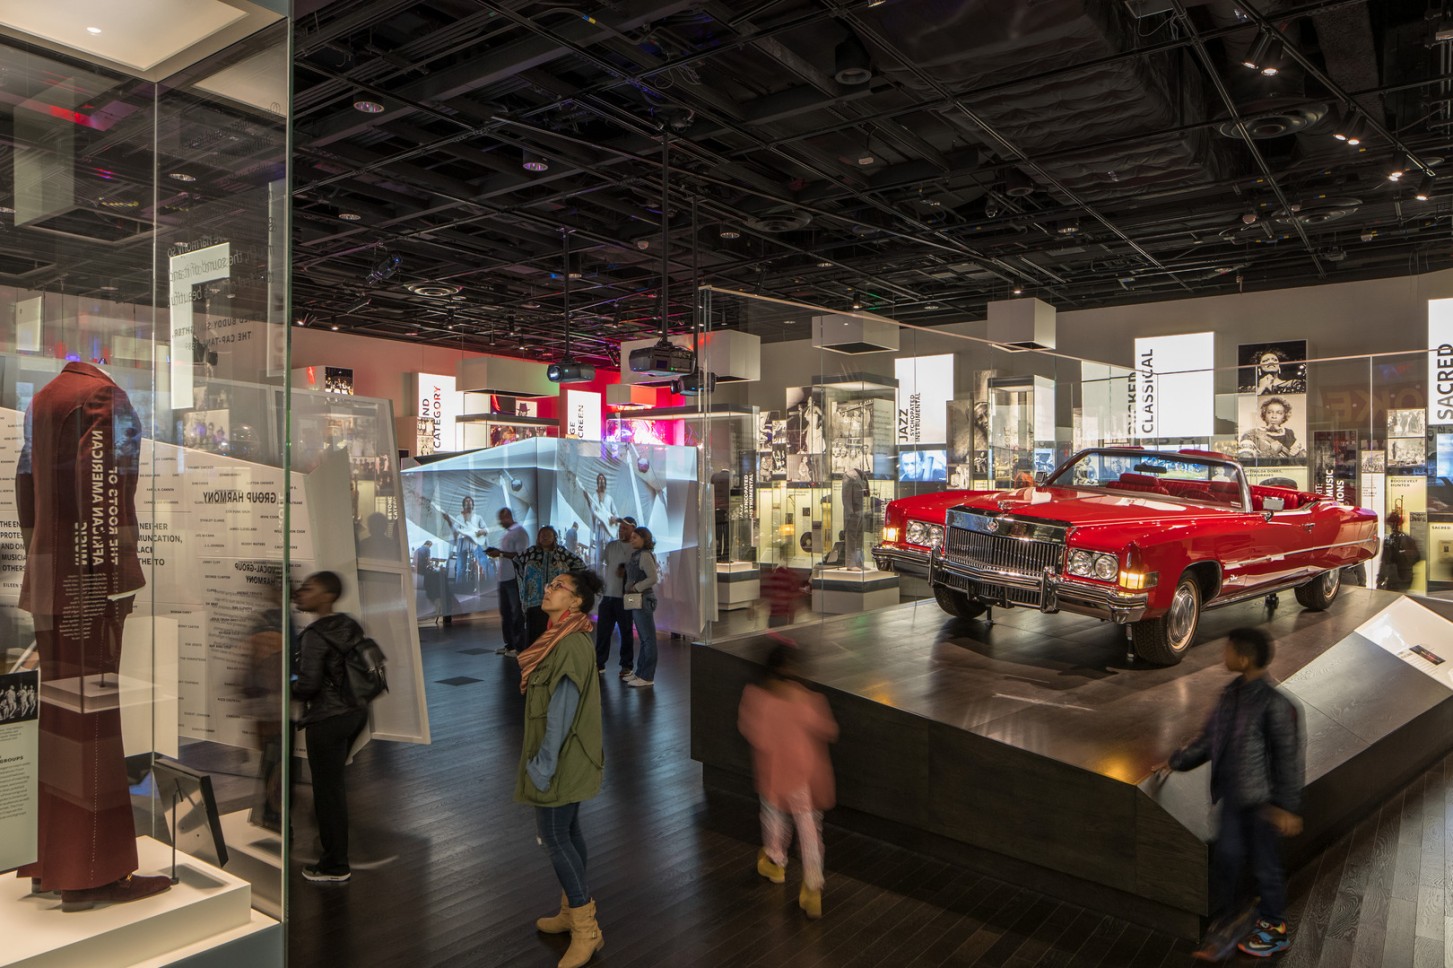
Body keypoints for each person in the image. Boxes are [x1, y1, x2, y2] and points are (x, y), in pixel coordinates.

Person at [1154, 627, 1305, 960]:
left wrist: (1286, 806)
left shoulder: (1277, 705)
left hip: (1264, 805)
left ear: (1245, 658)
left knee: (1266, 866)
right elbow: (1211, 739)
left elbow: (1288, 758)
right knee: (1228, 858)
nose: (1224, 655)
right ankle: (1232, 919)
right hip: (1233, 799)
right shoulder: (1230, 695)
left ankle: (1275, 928)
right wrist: (1177, 761)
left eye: (1229, 649)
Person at [517, 569, 606, 968]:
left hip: (562, 757)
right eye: (550, 583)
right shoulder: (562, 636)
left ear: (576, 602)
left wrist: (544, 764)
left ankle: (587, 930)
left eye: (558, 587)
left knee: (554, 836)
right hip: (568, 755)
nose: (549, 589)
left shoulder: (569, 643)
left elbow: (561, 711)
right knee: (567, 831)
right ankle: (572, 911)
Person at [738, 644, 838, 920]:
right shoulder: (807, 699)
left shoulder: (757, 698)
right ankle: (812, 887)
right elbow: (829, 730)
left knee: (773, 816)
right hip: (804, 775)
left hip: (774, 773)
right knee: (808, 828)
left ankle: (775, 860)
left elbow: (753, 732)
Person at [292, 571, 373, 884]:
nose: (302, 592)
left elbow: (309, 685)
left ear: (326, 596)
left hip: (327, 719)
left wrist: (286, 689)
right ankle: (330, 840)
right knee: (333, 787)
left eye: (309, 588)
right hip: (355, 713)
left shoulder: (315, 635)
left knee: (328, 792)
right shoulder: (349, 624)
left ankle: (335, 864)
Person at [520, 525, 586, 644]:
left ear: (554, 537)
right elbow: (517, 564)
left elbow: (580, 565)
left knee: (552, 634)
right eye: (542, 535)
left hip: (556, 603)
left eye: (548, 535)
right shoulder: (530, 553)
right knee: (533, 635)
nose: (545, 537)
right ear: (538, 538)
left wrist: (568, 580)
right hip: (533, 602)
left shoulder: (562, 553)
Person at [594, 516, 636, 678]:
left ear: (633, 529)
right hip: (608, 595)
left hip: (626, 596)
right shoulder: (611, 546)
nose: (621, 530)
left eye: (625, 528)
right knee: (603, 631)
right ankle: (599, 663)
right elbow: (603, 563)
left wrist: (627, 569)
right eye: (620, 528)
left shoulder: (636, 548)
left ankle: (626, 665)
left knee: (626, 631)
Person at [486, 507, 530, 656]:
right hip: (503, 578)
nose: (500, 522)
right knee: (505, 613)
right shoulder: (509, 533)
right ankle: (509, 645)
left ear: (508, 517)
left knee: (516, 613)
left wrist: (500, 553)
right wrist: (499, 553)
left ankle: (519, 647)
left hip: (514, 578)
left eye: (502, 519)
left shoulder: (520, 532)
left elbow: (521, 555)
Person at [622, 526, 660, 688]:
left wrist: (636, 587)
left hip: (643, 598)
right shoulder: (638, 554)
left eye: (635, 537)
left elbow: (653, 578)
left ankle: (647, 675)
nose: (631, 540)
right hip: (638, 599)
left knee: (647, 639)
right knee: (645, 639)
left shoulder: (644, 555)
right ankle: (641, 673)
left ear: (644, 539)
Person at [1237, 397, 1306, 461]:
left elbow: (1302, 461)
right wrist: (1272, 452)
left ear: (1284, 416)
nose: (1274, 416)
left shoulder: (1289, 433)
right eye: (1269, 412)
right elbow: (1245, 460)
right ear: (1264, 414)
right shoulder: (1251, 434)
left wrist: (1297, 454)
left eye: (1279, 413)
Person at [442, 496, 486, 587]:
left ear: (472, 505)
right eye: (466, 501)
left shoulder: (477, 517)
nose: (468, 502)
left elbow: (484, 529)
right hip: (462, 542)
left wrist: (481, 532)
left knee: (482, 561)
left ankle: (483, 584)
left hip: (474, 542)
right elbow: (455, 530)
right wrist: (449, 521)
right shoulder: (459, 517)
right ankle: (459, 588)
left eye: (470, 501)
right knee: (460, 567)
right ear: (463, 505)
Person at [1377, 510, 1422, 592]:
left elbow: (1385, 561)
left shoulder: (1390, 540)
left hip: (1396, 578)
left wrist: (1380, 579)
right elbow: (1417, 558)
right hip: (1405, 577)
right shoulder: (1408, 539)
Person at [762, 563, 807, 628]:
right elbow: (792, 602)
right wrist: (791, 621)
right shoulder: (789, 578)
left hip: (774, 615)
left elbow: (767, 593)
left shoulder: (774, 578)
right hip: (782, 615)